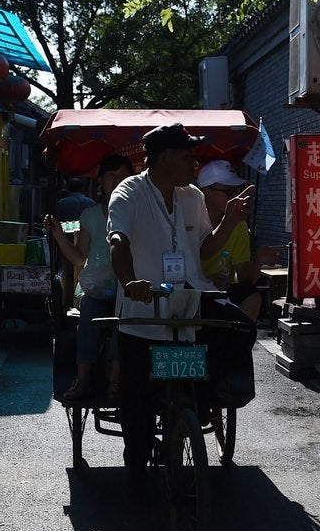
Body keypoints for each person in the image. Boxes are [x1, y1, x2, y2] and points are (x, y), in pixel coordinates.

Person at [107, 123, 256, 489]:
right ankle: (137, 471)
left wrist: (230, 221)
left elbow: (205, 248)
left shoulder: (192, 197)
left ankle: (205, 393)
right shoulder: (129, 193)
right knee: (137, 406)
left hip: (191, 304)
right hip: (144, 313)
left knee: (241, 329)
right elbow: (117, 241)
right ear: (165, 158)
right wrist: (130, 283)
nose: (194, 163)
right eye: (188, 156)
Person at [44, 153, 135, 400]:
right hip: (96, 290)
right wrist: (59, 235)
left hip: (130, 290)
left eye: (123, 177)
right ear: (101, 180)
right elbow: (79, 258)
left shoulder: (139, 213)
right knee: (89, 316)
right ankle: (82, 378)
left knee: (124, 321)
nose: (116, 182)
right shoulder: (90, 215)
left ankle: (116, 380)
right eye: (111, 176)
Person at [196, 159, 281, 325]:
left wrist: (258, 261)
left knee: (251, 296)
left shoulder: (238, 224)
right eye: (228, 191)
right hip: (191, 289)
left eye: (236, 190)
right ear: (207, 191)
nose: (236, 196)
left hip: (222, 291)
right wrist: (204, 279)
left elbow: (244, 278)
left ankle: (240, 341)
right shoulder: (189, 220)